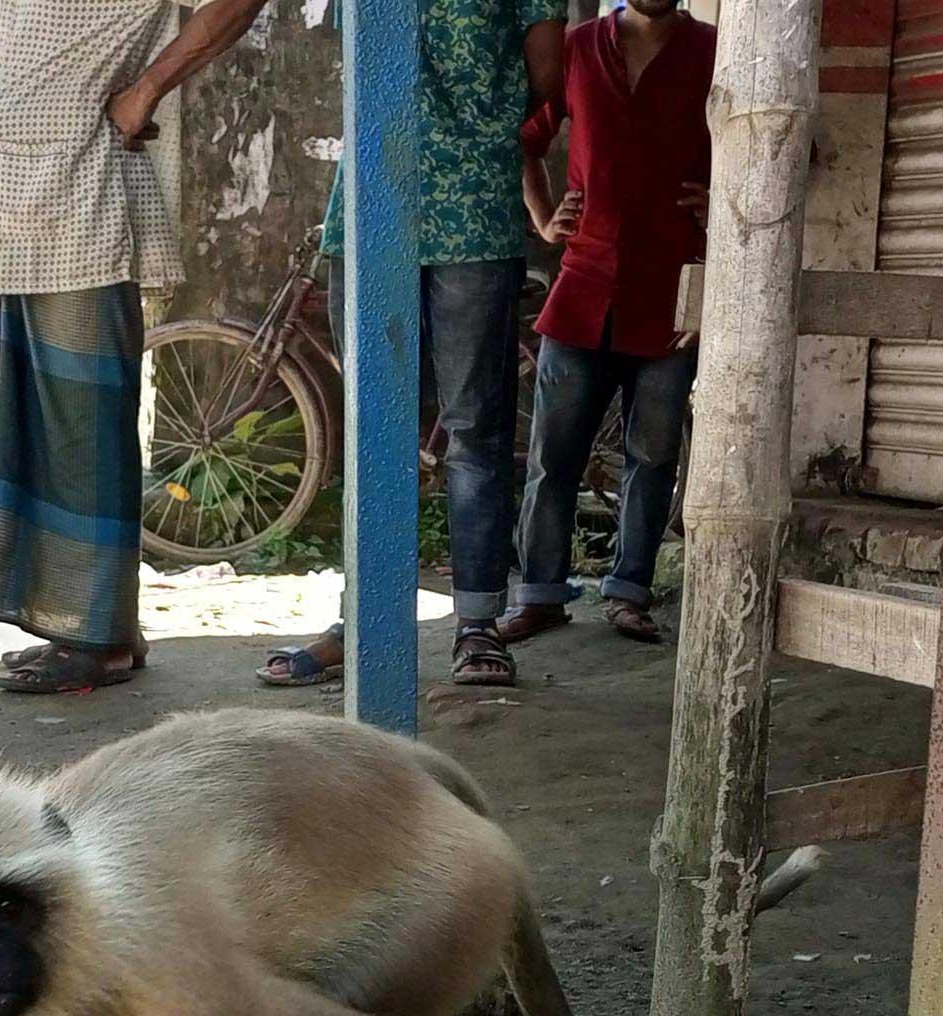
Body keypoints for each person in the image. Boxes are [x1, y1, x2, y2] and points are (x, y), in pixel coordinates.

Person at [0, 0, 272, 694]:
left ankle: (95, 639)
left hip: (82, 207)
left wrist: (145, 91)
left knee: (81, 432)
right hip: (23, 221)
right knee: (42, 425)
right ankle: (100, 627)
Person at [255, 0, 565, 690]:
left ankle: (447, 621)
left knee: (433, 429)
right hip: (404, 202)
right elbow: (545, 76)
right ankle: (433, 625)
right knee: (455, 430)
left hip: (428, 203)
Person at [502, 0, 715, 646]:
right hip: (584, 288)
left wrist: (727, 193)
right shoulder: (574, 47)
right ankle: (539, 593)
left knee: (653, 457)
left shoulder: (714, 51)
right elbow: (523, 140)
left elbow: (793, 148)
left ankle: (629, 593)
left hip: (672, 291)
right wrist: (543, 218)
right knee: (551, 456)